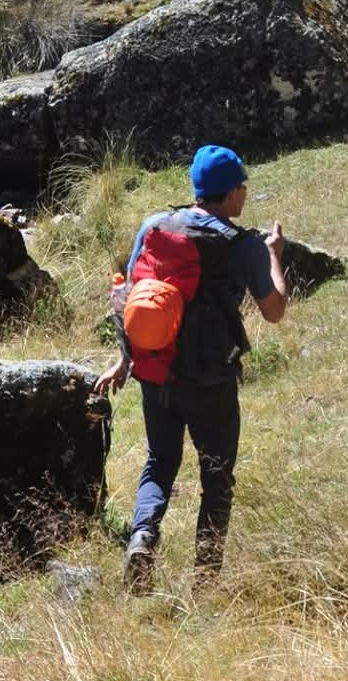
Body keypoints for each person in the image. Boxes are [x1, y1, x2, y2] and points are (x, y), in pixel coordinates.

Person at [93, 143, 288, 592]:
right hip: (210, 381)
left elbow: (129, 298)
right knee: (216, 477)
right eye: (243, 186)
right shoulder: (244, 245)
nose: (245, 194)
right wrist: (275, 255)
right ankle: (204, 581)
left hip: (156, 371)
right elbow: (275, 311)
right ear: (231, 192)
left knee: (160, 462)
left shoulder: (154, 226)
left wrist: (125, 359)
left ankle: (142, 538)